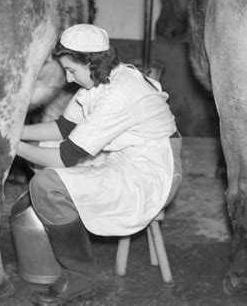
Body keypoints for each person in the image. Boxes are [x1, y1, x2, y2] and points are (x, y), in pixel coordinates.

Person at [16, 24, 182, 306]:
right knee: (44, 153)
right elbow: (64, 128)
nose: (68, 79)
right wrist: (11, 130)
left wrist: (12, 147)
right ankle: (68, 237)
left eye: (71, 70)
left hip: (151, 172)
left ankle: (80, 274)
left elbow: (65, 155)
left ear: (91, 62)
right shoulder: (99, 81)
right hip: (126, 155)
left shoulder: (119, 93)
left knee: (46, 184)